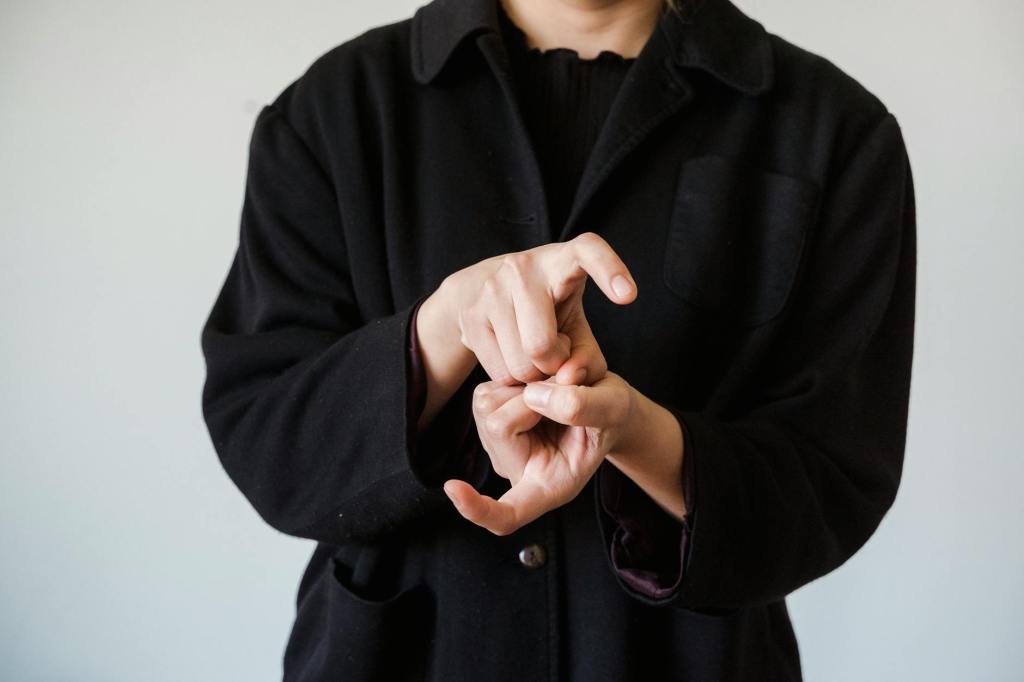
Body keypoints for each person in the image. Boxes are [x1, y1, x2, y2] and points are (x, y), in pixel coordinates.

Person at [199, 0, 916, 679]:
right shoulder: (334, 109)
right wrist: (445, 327)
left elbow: (837, 475)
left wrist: (634, 432)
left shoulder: (834, 130)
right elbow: (270, 440)